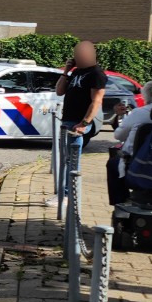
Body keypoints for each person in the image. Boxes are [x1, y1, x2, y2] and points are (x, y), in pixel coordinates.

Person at [54, 41, 106, 201]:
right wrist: (66, 71)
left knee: (72, 161)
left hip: (78, 124)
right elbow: (59, 91)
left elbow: (97, 101)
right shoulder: (76, 72)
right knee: (65, 159)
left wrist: (84, 123)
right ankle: (63, 195)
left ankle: (67, 196)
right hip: (67, 121)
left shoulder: (97, 74)